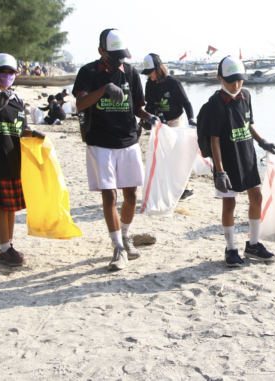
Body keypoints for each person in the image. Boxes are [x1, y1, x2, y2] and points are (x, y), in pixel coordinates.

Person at [72, 28, 160, 271]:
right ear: (101, 51)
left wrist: (148, 117)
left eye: (122, 56)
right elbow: (80, 103)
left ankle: (127, 235)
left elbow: (137, 108)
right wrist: (104, 90)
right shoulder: (88, 72)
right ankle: (118, 246)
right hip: (100, 142)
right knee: (109, 195)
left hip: (128, 140)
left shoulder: (131, 72)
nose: (120, 61)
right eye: (114, 56)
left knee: (131, 195)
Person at [202, 56, 275, 267]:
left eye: (240, 80)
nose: (236, 85)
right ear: (220, 79)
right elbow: (214, 140)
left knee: (257, 196)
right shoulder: (214, 104)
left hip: (247, 156)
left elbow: (248, 123)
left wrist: (262, 142)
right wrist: (220, 172)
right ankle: (231, 248)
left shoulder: (246, 95)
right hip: (226, 161)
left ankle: (253, 244)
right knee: (229, 203)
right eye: (231, 81)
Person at [0, 53, 46, 266]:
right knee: (0, 207)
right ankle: (4, 248)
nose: (7, 76)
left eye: (11, 72)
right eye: (3, 72)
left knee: (11, 207)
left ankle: (9, 245)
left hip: (14, 162)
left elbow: (21, 130)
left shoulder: (17, 100)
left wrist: (34, 134)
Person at [141, 53, 197, 201]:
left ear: (159, 69)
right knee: (162, 155)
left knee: (176, 154)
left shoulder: (173, 83)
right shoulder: (149, 84)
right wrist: (146, 117)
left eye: (150, 72)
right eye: (146, 73)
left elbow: (187, 103)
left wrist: (191, 119)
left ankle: (187, 188)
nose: (148, 76)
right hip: (161, 122)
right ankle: (172, 187)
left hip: (176, 119)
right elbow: (150, 104)